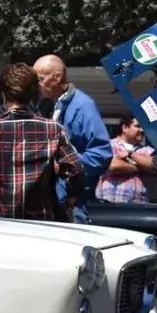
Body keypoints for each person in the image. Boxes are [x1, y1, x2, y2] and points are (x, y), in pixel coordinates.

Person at [0, 62, 83, 221]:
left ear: (4, 94)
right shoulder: (54, 129)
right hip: (40, 221)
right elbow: (76, 170)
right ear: (33, 93)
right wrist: (70, 199)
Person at [33, 54, 113, 223]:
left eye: (40, 79)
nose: (37, 85)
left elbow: (102, 154)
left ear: (57, 77)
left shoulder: (83, 106)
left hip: (72, 205)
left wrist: (63, 166)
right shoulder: (44, 106)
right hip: (47, 202)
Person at [95, 113, 156, 204]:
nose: (142, 130)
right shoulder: (109, 145)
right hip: (111, 202)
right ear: (125, 128)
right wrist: (141, 167)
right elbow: (114, 166)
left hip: (139, 206)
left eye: (143, 127)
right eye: (138, 126)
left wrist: (130, 154)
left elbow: (154, 166)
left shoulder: (147, 150)